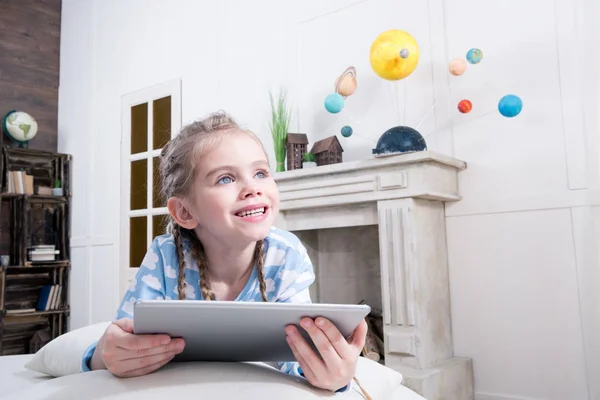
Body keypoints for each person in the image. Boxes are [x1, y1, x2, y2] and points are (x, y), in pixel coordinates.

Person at [81, 111, 368, 394]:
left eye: (260, 173)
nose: (252, 188)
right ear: (184, 211)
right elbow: (120, 342)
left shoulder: (286, 255)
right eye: (225, 179)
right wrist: (104, 355)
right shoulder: (164, 256)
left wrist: (333, 375)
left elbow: (297, 359)